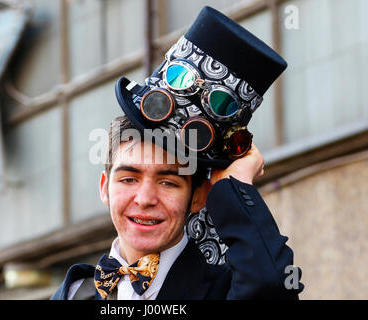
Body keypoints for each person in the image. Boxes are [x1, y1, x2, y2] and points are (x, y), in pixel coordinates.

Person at [51, 6, 304, 300]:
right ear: (104, 187)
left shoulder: (223, 290)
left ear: (197, 197)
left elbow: (270, 287)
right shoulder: (72, 294)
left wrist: (232, 189)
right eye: (129, 179)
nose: (144, 199)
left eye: (168, 182)